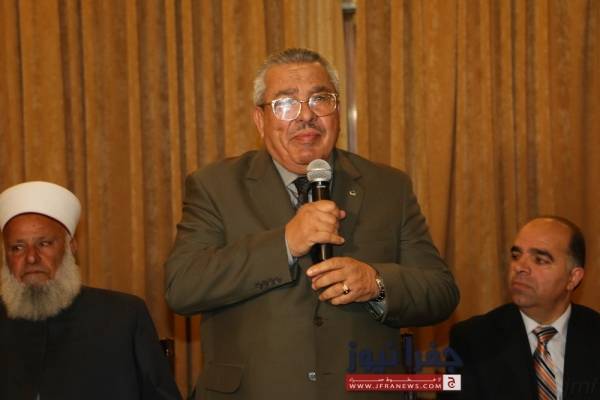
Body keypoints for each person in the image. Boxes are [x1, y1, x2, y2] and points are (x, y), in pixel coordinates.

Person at [165, 47, 459, 399]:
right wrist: (285, 243)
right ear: (260, 120)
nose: (306, 116)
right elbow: (183, 287)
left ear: (337, 112)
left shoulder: (388, 187)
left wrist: (376, 283)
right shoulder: (215, 186)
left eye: (320, 99)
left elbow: (441, 292)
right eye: (286, 103)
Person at [0, 181, 182, 400]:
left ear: (71, 247)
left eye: (44, 243)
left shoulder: (123, 316)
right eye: (17, 247)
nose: (31, 258)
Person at [447, 216, 600, 400]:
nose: (520, 267)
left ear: (573, 278)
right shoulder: (472, 339)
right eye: (516, 256)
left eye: (540, 260)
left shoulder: (595, 333)